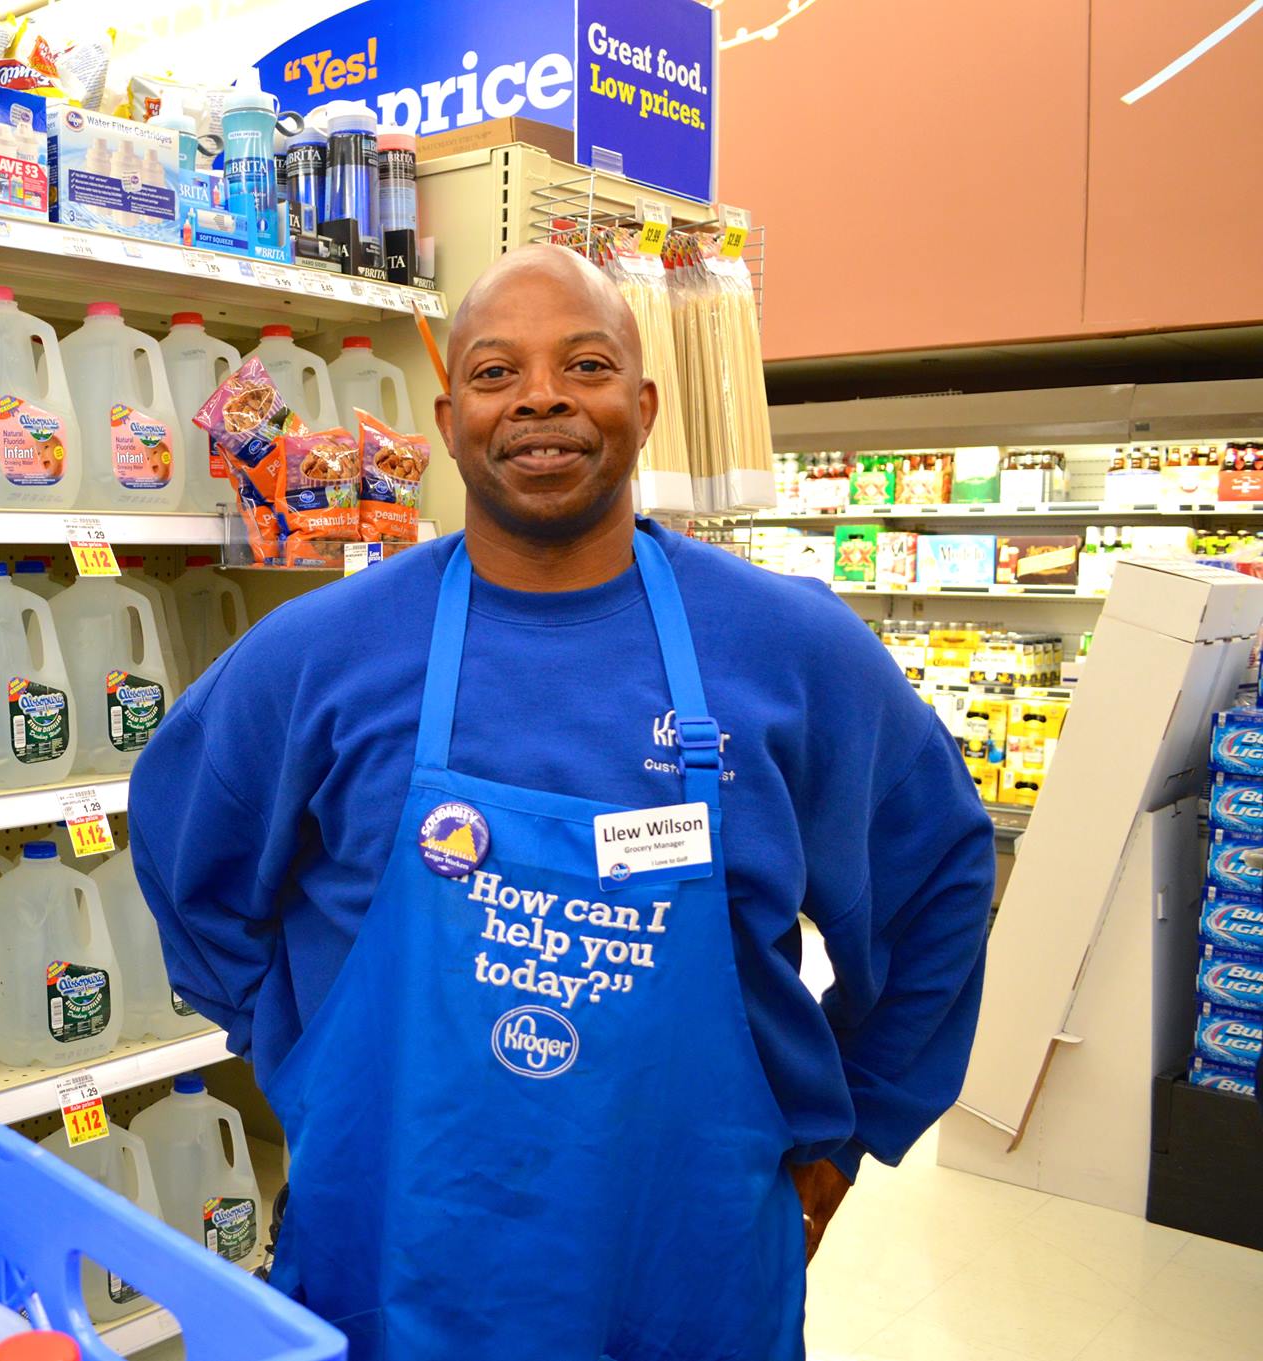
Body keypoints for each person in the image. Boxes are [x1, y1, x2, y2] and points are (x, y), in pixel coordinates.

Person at [127, 244, 995, 1360]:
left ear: (640, 406)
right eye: (495, 372)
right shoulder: (322, 654)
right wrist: (305, 1048)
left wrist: (858, 1114)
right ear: (446, 419)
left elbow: (938, 880)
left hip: (687, 1260)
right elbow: (183, 839)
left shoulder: (789, 650)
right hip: (389, 1246)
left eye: (582, 364)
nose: (538, 395)